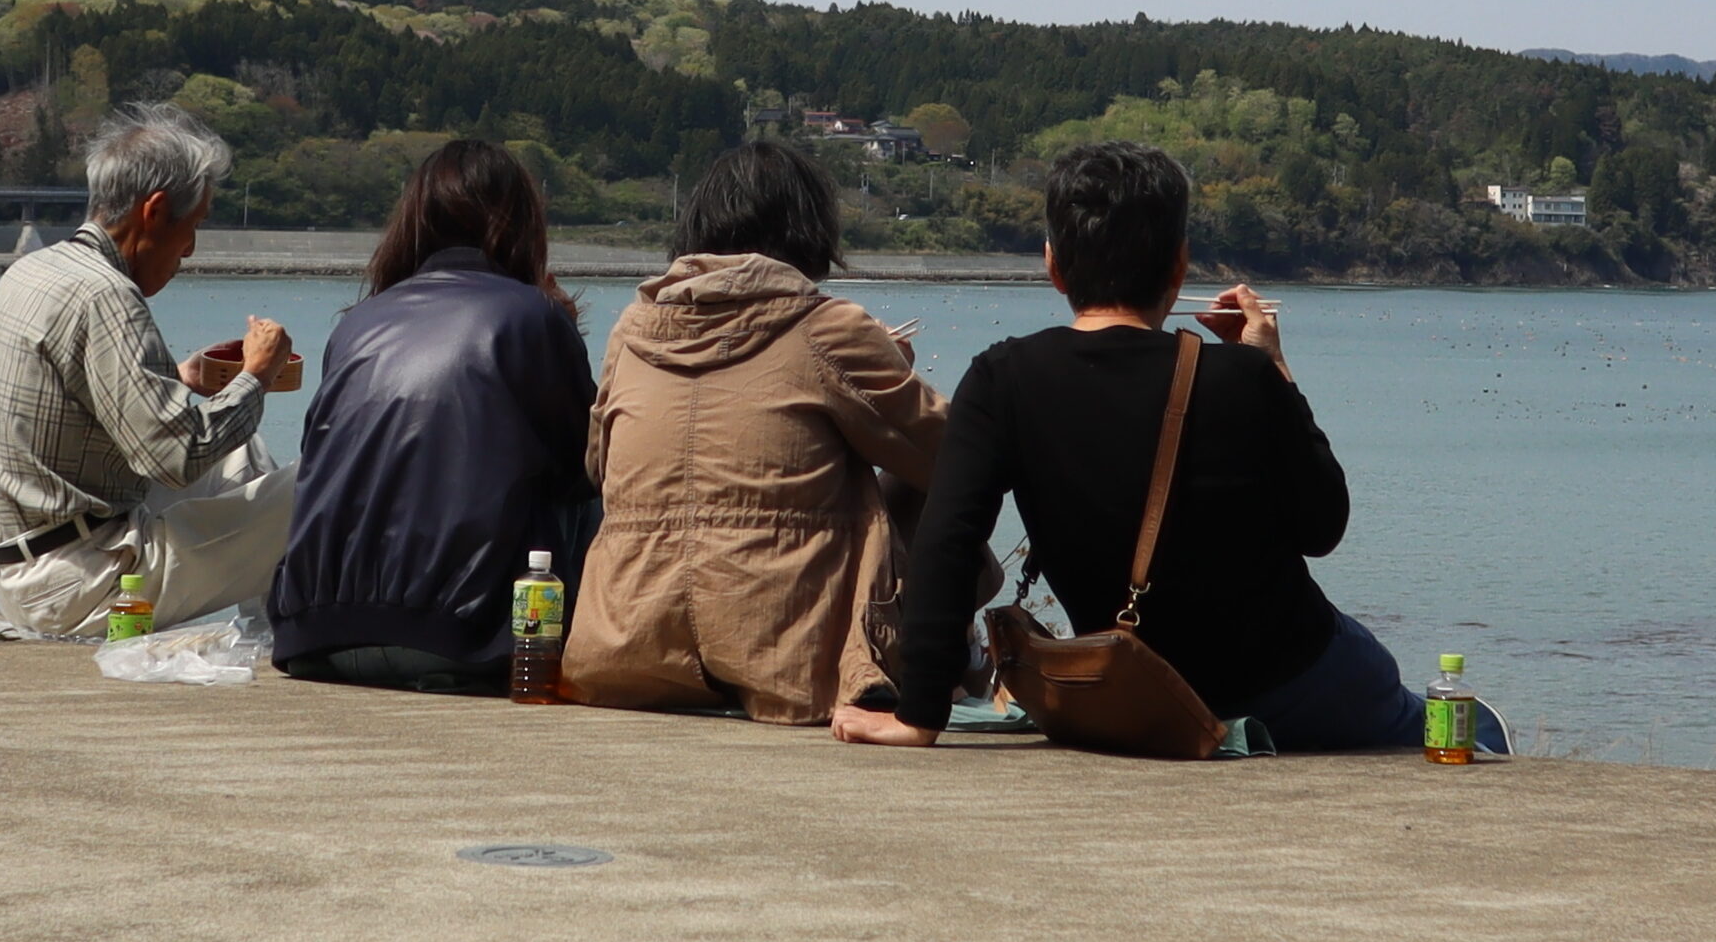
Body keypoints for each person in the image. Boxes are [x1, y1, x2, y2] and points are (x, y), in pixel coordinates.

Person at [836, 139, 1505, 753]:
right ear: (1178, 266)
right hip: (1287, 678)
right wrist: (1272, 364)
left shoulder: (1000, 379)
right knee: (1462, 731)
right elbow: (1322, 526)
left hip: (1131, 687)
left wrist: (918, 715)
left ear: (1053, 265)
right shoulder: (1241, 377)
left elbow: (946, 545)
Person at [561, 141, 949, 723]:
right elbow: (953, 456)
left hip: (625, 645)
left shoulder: (631, 331)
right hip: (790, 658)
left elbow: (599, 469)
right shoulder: (828, 328)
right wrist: (891, 370)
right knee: (915, 467)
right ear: (809, 230)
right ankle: (942, 659)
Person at [269, 140, 597, 693]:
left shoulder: (358, 323)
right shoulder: (530, 317)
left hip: (314, 638)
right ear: (521, 225)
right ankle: (596, 650)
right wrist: (560, 331)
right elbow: (586, 465)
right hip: (464, 639)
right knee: (599, 488)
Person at [0, 103, 297, 637]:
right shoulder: (107, 294)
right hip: (81, 585)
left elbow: (80, 396)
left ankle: (271, 628)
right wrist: (255, 376)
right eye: (195, 225)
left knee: (240, 452)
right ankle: (288, 630)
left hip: (23, 568)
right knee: (319, 484)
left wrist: (179, 379)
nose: (190, 249)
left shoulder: (36, 269)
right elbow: (176, 458)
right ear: (156, 210)